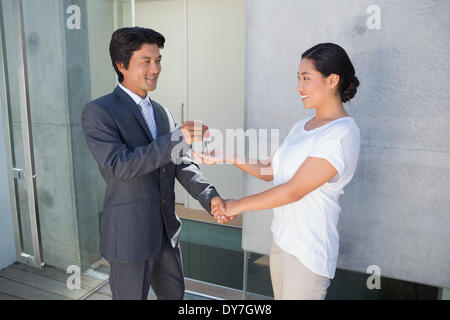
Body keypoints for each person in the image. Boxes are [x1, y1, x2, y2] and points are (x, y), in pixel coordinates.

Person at [194, 43, 361, 299]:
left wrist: (235, 206)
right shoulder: (303, 125)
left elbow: (294, 190)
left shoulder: (341, 133)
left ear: (332, 80)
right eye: (298, 78)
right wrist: (227, 156)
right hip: (282, 240)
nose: (299, 87)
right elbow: (271, 169)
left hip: (308, 252)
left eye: (306, 78)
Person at [81, 26, 230, 300]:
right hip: (129, 237)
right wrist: (175, 139)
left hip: (167, 235)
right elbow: (118, 165)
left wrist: (211, 198)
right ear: (121, 65)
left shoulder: (163, 113)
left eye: (158, 60)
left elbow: (182, 165)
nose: (156, 68)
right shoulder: (98, 111)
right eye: (146, 61)